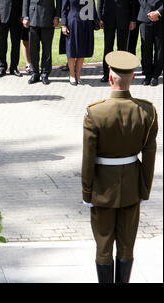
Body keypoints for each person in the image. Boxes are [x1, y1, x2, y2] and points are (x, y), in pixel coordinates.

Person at [82, 51, 158, 283]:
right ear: (133, 78)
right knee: (127, 247)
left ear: (110, 77)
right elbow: (150, 154)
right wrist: (144, 189)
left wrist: (87, 192)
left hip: (102, 188)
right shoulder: (147, 111)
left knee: (103, 246)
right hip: (132, 188)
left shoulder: (95, 112)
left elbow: (88, 157)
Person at [22, 0, 61, 85]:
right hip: (32, 17)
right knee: (33, 49)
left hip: (48, 17)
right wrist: (25, 16)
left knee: (47, 49)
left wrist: (57, 16)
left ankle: (45, 74)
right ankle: (35, 73)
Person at [98, 0, 137, 83]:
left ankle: (121, 73)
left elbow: (133, 4)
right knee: (108, 48)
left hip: (124, 19)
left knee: (122, 49)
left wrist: (133, 20)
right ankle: (106, 74)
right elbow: (100, 2)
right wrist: (99, 18)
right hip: (108, 19)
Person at [61, 0, 97, 85]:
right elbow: (63, 9)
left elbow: (92, 6)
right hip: (73, 22)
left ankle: (78, 75)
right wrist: (63, 24)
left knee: (82, 50)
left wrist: (96, 20)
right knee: (72, 50)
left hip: (86, 23)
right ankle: (72, 75)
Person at [0, 0, 23, 79]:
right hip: (2, 16)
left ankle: (14, 67)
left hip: (17, 16)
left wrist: (23, 14)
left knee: (16, 44)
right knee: (1, 43)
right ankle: (2, 67)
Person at [137, 0, 163, 86]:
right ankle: (147, 75)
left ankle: (155, 75)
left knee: (160, 48)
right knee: (145, 48)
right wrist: (150, 13)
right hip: (145, 17)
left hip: (161, 18)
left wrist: (158, 12)